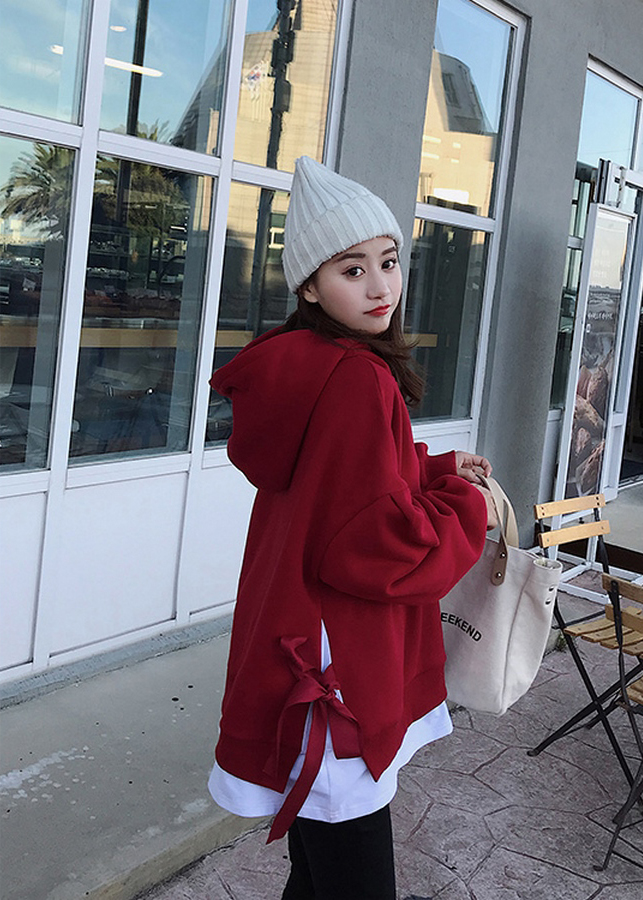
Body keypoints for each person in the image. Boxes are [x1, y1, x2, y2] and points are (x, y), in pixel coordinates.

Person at [208, 156, 496, 899]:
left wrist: (431, 467)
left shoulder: (302, 364)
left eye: (388, 262)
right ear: (309, 286)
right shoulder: (356, 376)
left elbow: (339, 483)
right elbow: (382, 547)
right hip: (339, 668)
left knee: (319, 869)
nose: (379, 288)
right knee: (352, 872)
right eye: (351, 269)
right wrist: (470, 507)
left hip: (293, 634)